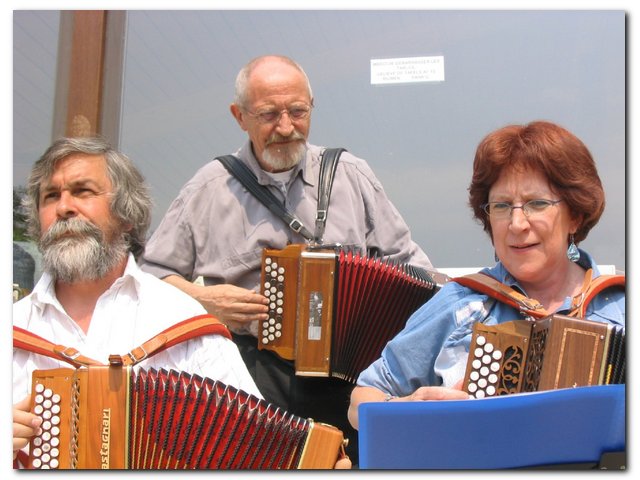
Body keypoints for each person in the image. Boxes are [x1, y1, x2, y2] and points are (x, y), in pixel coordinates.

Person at [139, 54, 434, 462]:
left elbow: (413, 266)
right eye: (268, 114)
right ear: (239, 116)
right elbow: (148, 281)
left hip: (353, 373)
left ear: (311, 106)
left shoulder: (351, 174)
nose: (285, 127)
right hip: (254, 374)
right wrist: (204, 302)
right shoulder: (209, 187)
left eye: (298, 111)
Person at [348, 120, 625, 429]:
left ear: (575, 215)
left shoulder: (621, 308)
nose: (517, 224)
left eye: (536, 204)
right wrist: (408, 408)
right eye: (502, 206)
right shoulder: (461, 304)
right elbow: (361, 401)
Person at [12, 137, 260, 464]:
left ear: (126, 215)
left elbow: (253, 447)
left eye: (83, 191)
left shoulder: (182, 320)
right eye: (51, 196)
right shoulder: (14, 327)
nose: (64, 207)